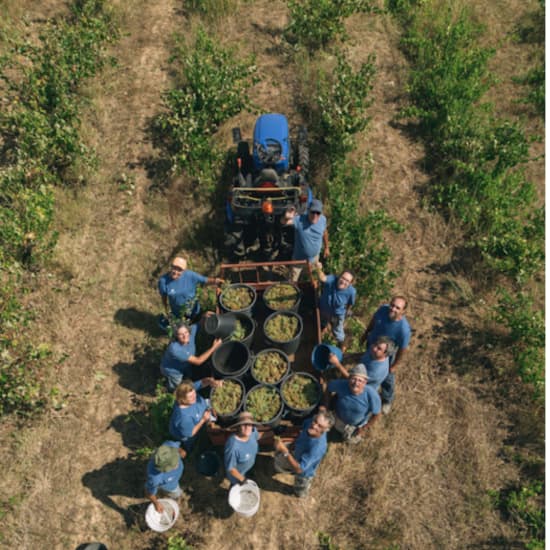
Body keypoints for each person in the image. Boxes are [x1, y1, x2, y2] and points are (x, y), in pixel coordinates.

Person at [362, 296, 411, 414]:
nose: (393, 309)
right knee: (367, 364)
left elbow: (402, 350)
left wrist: (393, 366)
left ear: (403, 311)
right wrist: (366, 334)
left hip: (386, 355)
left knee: (388, 378)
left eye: (397, 308)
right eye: (392, 305)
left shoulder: (403, 329)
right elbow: (373, 321)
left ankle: (387, 399)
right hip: (372, 344)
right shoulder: (383, 309)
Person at [273, 411, 334, 497]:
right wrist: (286, 430)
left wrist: (285, 451)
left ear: (325, 430)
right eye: (315, 421)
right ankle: (287, 468)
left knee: (301, 488)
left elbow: (300, 469)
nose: (314, 425)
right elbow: (301, 429)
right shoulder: (310, 423)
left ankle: (299, 493)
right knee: (281, 458)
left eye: (320, 426)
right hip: (298, 451)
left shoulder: (317, 447)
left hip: (304, 472)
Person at [321, 364, 381, 443]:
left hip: (356, 425)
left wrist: (364, 428)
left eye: (360, 380)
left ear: (365, 382)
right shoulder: (342, 384)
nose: (356, 383)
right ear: (349, 379)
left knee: (351, 440)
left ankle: (347, 438)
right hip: (339, 419)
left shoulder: (371, 394)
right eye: (353, 379)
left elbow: (377, 414)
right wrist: (326, 406)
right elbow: (329, 387)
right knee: (335, 433)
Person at [158, 256, 223, 322]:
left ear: (184, 270)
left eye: (179, 270)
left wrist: (215, 281)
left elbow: (204, 280)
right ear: (171, 266)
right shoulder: (163, 281)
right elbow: (164, 297)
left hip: (194, 310)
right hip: (178, 313)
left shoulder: (190, 275)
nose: (175, 271)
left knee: (197, 324)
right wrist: (166, 310)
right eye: (174, 267)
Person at [160, 322, 222, 391]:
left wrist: (206, 315)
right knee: (178, 387)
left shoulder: (191, 330)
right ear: (176, 336)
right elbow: (198, 361)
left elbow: (202, 321)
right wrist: (214, 347)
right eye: (181, 334)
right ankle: (171, 391)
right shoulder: (175, 349)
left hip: (186, 364)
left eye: (186, 332)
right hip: (174, 371)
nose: (185, 336)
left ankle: (188, 379)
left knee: (189, 375)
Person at [281, 199, 330, 282]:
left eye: (318, 213)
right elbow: (284, 222)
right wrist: (286, 217)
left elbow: (325, 232)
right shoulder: (299, 219)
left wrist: (326, 247)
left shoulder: (322, 220)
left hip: (314, 259)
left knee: (315, 280)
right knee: (292, 282)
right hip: (298, 260)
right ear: (308, 211)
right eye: (313, 212)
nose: (315, 215)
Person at [169, 377, 221, 452]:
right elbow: (191, 433)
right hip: (188, 432)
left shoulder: (188, 389)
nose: (194, 396)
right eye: (191, 397)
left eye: (194, 393)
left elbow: (202, 382)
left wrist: (210, 381)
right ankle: (189, 449)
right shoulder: (184, 417)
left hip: (202, 412)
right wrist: (203, 420)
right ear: (182, 399)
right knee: (192, 441)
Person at [328, 336, 394, 391]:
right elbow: (364, 354)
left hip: (360, 388)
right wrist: (348, 356)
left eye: (379, 348)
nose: (374, 348)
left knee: (329, 385)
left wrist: (337, 364)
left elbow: (353, 380)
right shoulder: (375, 352)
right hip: (358, 376)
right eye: (375, 344)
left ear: (386, 354)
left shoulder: (376, 371)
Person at [316, 263, 356, 351]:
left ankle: (342, 348)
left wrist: (345, 313)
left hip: (337, 315)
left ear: (350, 283)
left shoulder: (351, 292)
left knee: (338, 333)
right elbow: (322, 278)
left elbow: (350, 304)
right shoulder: (332, 279)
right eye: (343, 278)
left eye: (347, 281)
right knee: (322, 322)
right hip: (323, 309)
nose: (343, 281)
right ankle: (324, 328)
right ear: (339, 276)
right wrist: (318, 268)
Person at [224, 412, 268, 486]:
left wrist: (274, 434)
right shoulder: (233, 447)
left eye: (249, 424)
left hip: (248, 467)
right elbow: (231, 469)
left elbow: (258, 436)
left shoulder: (252, 432)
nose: (247, 427)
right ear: (238, 427)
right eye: (243, 424)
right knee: (237, 488)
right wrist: (243, 479)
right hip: (238, 475)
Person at [145, 440, 186, 513]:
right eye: (172, 466)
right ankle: (176, 495)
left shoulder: (168, 446)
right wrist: (156, 503)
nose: (177, 465)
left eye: (176, 460)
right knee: (176, 493)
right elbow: (149, 493)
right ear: (163, 469)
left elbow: (176, 445)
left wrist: (180, 450)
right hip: (171, 486)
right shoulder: (155, 478)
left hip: (175, 478)